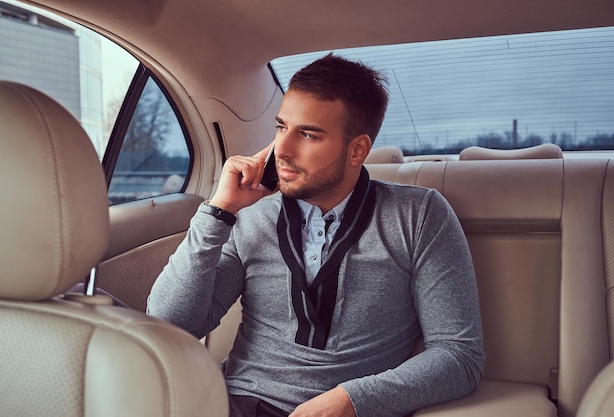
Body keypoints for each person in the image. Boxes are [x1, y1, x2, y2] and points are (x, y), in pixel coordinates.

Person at [147, 54, 484, 417]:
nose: (283, 151)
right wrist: (218, 212)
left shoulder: (419, 215)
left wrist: (351, 401)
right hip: (231, 404)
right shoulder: (248, 216)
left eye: (307, 134)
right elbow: (170, 328)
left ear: (357, 150)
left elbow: (458, 354)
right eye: (281, 128)